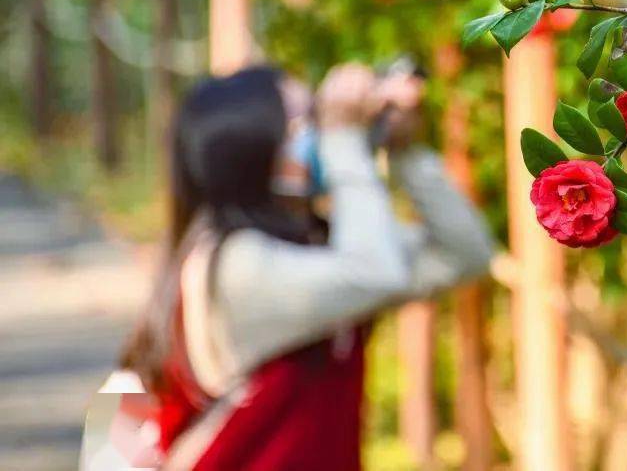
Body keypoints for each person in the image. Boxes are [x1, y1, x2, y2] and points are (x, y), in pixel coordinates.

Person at [116, 63, 493, 470]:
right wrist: (346, 138)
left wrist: (403, 152)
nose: (321, 132)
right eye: (307, 121)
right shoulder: (236, 265)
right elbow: (376, 273)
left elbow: (463, 254)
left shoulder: (312, 243)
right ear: (253, 152)